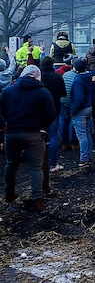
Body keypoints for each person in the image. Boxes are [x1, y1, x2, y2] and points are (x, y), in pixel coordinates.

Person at [0, 65, 56, 211]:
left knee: (11, 164)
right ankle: (37, 199)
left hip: (11, 133)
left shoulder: (8, 91)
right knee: (36, 167)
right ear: (38, 76)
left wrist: (4, 124)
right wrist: (42, 125)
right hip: (33, 133)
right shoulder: (43, 92)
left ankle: (9, 194)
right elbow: (51, 114)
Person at [39, 56, 67, 172]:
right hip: (54, 109)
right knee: (53, 136)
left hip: (39, 111)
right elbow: (64, 93)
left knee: (39, 138)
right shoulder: (57, 77)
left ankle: (40, 163)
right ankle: (53, 164)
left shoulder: (38, 77)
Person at [69, 58, 93, 166]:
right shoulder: (88, 77)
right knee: (87, 133)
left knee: (82, 135)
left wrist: (73, 110)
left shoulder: (78, 80)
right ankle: (89, 156)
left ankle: (83, 158)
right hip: (88, 107)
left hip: (81, 109)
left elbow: (79, 98)